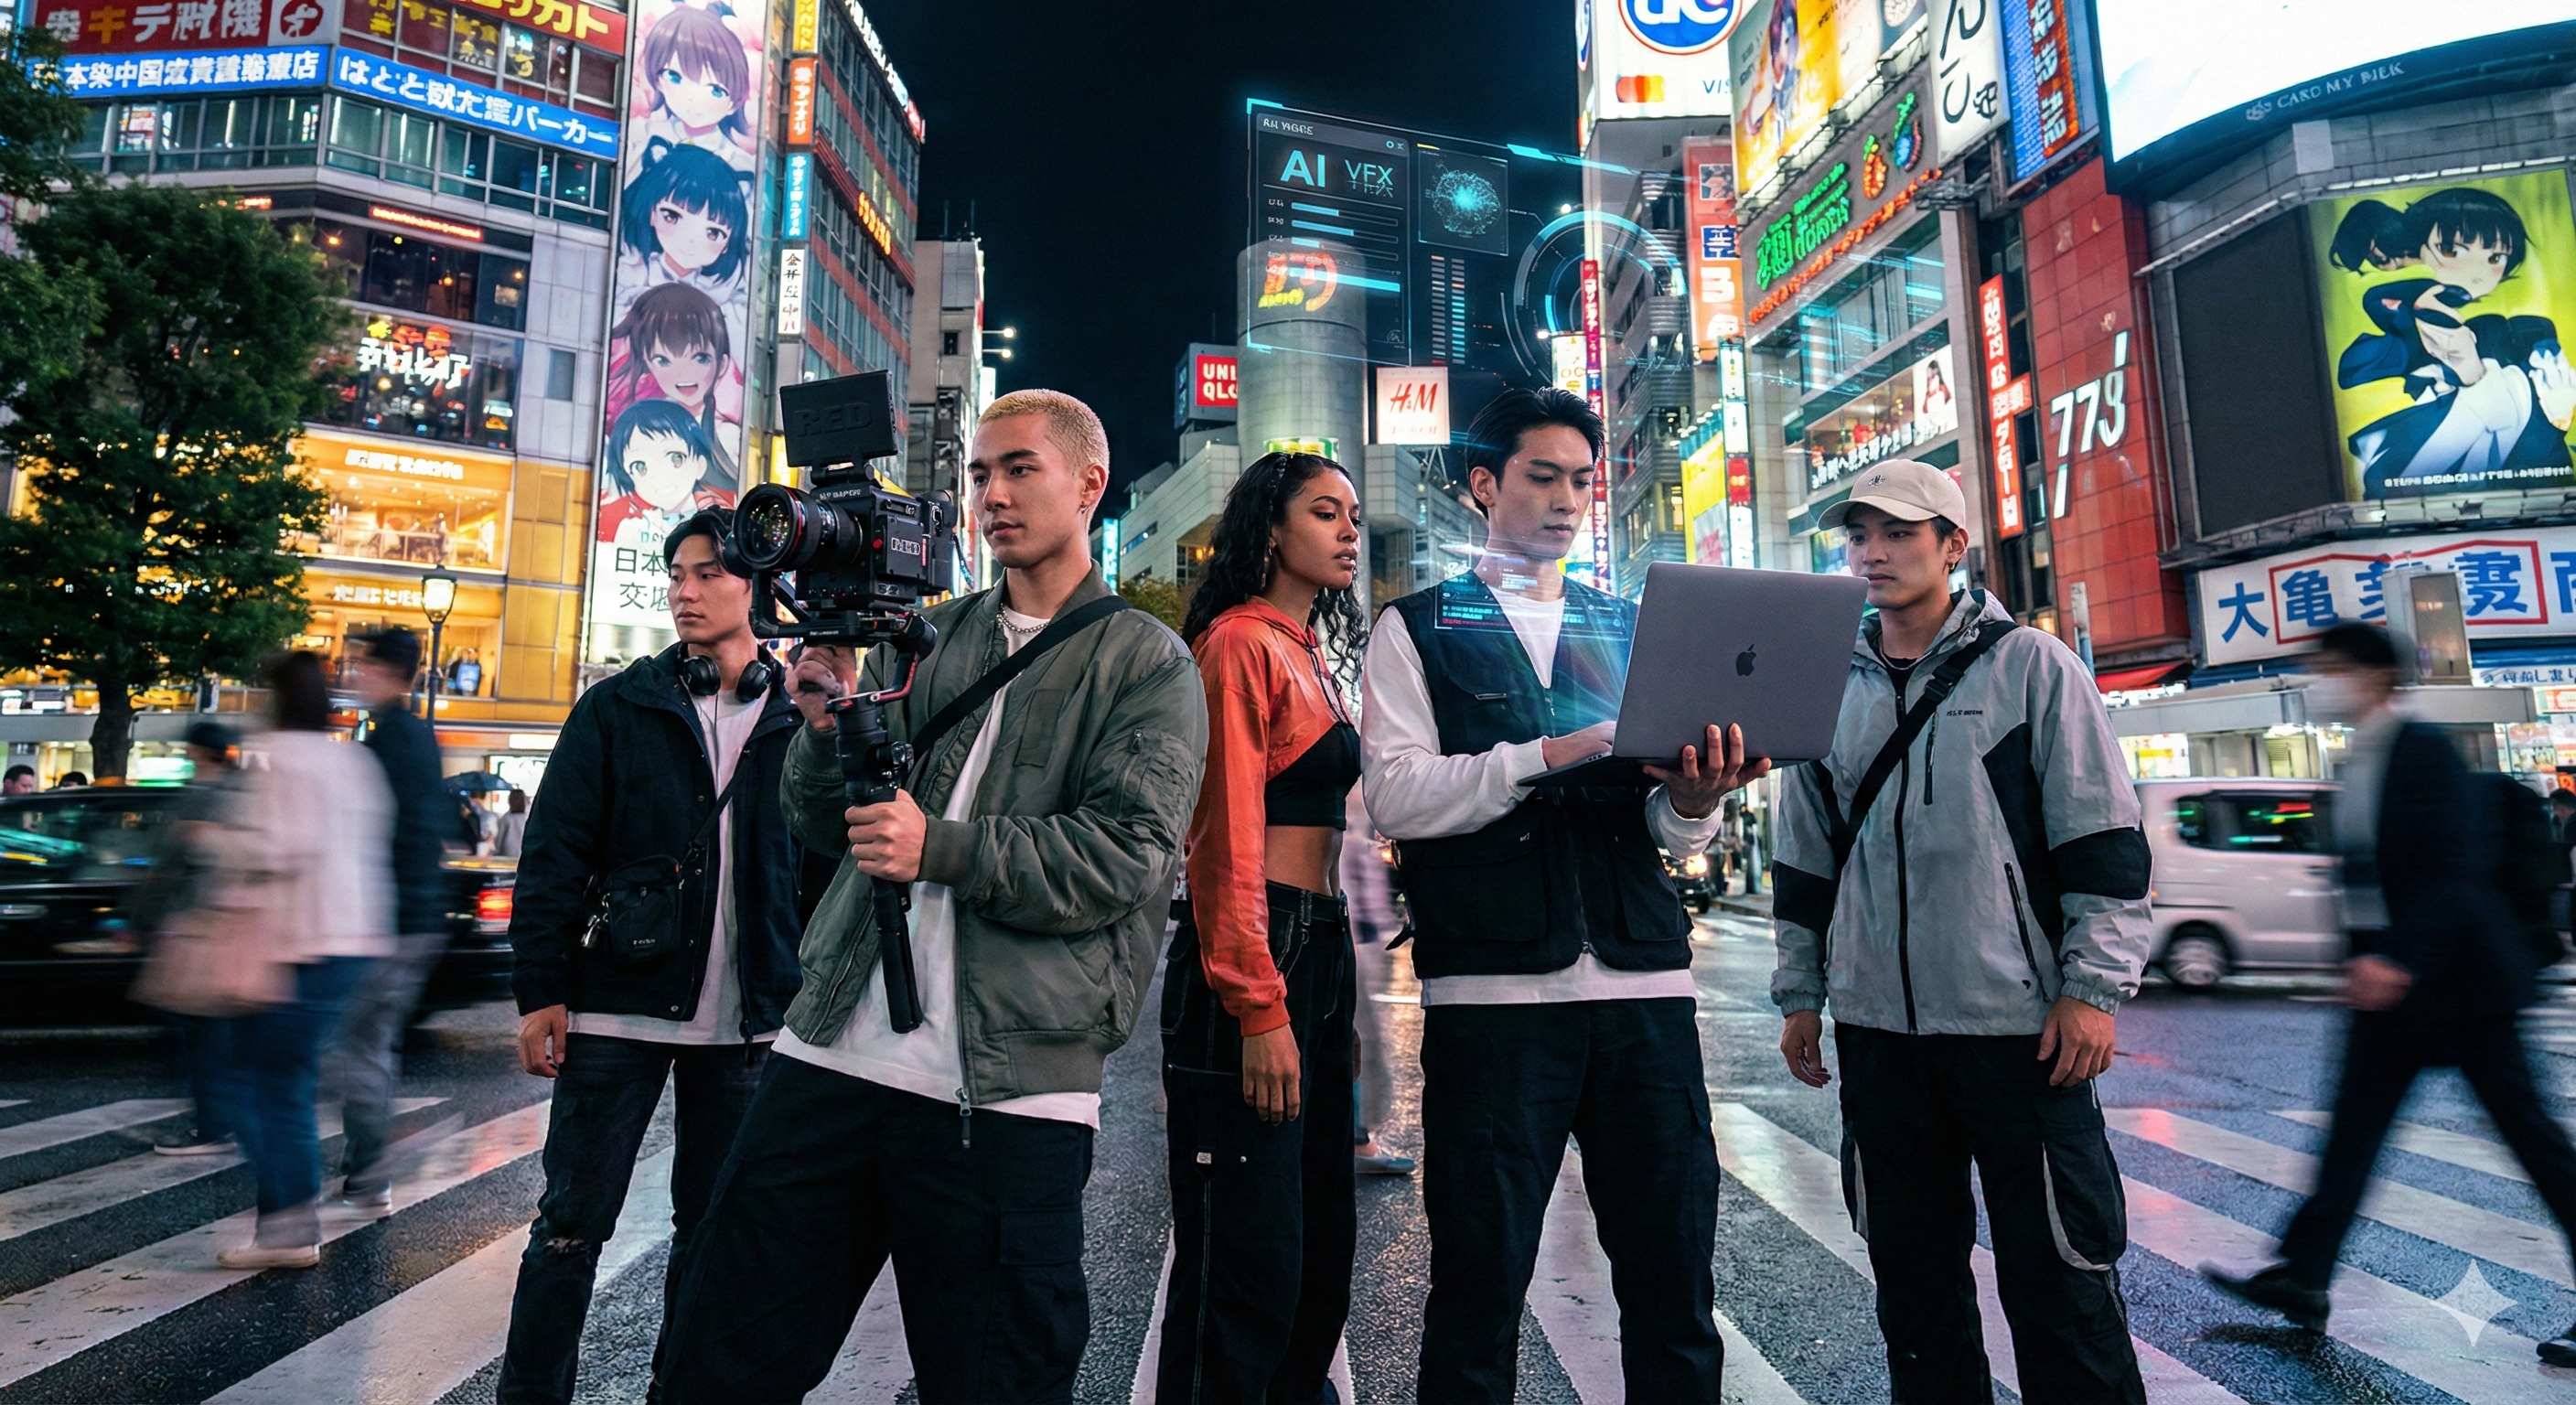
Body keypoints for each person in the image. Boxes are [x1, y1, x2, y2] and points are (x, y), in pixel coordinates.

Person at [660, 390, 1208, 1404]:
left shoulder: (1144, 660)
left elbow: (1126, 858)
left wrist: (940, 847)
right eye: (979, 475)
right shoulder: (925, 633)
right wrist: (825, 728)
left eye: (1018, 470)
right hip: (828, 1050)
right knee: (714, 1361)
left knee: (995, 1379)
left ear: (1088, 486)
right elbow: (827, 824)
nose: (992, 495)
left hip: (1006, 1090)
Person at [1360, 387, 1758, 1404]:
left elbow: (1666, 835)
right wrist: (1544, 753)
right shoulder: (1419, 627)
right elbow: (1396, 796)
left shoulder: (1625, 627)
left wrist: (1697, 798)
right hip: (1493, 1006)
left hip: (1644, 1001)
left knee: (1675, 1294)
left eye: (1582, 480)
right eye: (1543, 476)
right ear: (1485, 483)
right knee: (1476, 1299)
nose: (1568, 500)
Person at [1770, 460, 2152, 1402]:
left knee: (2060, 1281)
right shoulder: (1823, 685)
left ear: (1953, 545)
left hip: (2016, 1033)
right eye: (1858, 535)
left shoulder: (2030, 667)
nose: (1873, 553)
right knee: (1913, 1292)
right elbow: (1803, 857)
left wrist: (2090, 991)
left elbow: (2100, 842)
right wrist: (1799, 994)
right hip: (1880, 1041)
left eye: (1898, 533)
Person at [2204, 623, 2576, 1363]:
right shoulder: (2362, 756)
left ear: (2373, 675)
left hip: (2462, 987)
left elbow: (2451, 869)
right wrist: (2365, 959)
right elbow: (2372, 878)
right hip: (2394, 990)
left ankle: (2303, 1274)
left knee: (2535, 1144)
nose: (2318, 684)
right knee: (2350, 1138)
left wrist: (2401, 959)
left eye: (2329, 669)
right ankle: (2303, 1277)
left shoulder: (2422, 751)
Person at [499, 509, 804, 1404]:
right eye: (675, 572)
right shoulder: (618, 706)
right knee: (567, 1230)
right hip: (613, 1010)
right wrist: (539, 989)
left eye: (706, 572)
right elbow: (554, 850)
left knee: (710, 1235)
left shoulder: (796, 717)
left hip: (747, 1018)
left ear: (755, 585)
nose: (683, 588)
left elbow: (827, 874)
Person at [1154, 451, 1367, 1402]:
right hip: (1257, 948)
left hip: (1317, 942)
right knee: (1242, 1250)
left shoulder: (1304, 649)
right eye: (1325, 513)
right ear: (1270, 532)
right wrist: (1255, 1004)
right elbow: (1223, 837)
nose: (1349, 531)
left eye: (1354, 515)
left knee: (1316, 1236)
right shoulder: (1240, 645)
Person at [203, 653, 394, 1268]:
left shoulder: (274, 757)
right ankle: (297, 1212)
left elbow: (278, 848)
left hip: (296, 944)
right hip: (355, 941)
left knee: (253, 1082)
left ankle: (287, 1225)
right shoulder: (354, 759)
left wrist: (213, 841)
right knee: (287, 1075)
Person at [321, 627, 452, 1216]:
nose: (355, 677)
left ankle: (370, 1164)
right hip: (415, 914)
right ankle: (366, 1167)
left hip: (388, 916)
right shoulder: (415, 736)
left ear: (386, 672)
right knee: (366, 1043)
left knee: (345, 1043)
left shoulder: (388, 743)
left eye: (363, 667)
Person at [134, 721, 243, 1157]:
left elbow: (166, 866)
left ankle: (212, 1125)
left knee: (197, 1031)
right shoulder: (243, 797)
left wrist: (138, 918)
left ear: (198, 752)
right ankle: (226, 1117)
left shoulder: (198, 798)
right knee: (220, 1029)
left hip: (197, 927)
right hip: (238, 928)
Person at [1342, 787, 1411, 1177]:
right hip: (1350, 934)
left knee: (1358, 1042)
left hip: (1358, 934)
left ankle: (1356, 1136)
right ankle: (1357, 1140)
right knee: (1357, 1043)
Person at [494, 788, 530, 858]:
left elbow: (499, 840)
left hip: (507, 854)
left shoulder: (505, 819)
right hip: (523, 854)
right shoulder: (527, 818)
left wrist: (496, 852)